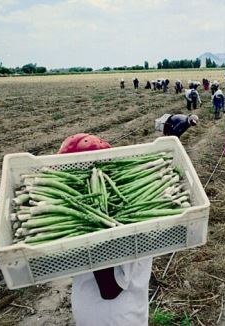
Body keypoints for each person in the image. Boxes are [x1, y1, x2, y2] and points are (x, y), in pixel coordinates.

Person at [58, 134, 153, 326]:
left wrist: (93, 230)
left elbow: (110, 289)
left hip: (115, 317)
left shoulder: (121, 225)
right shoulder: (102, 212)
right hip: (97, 311)